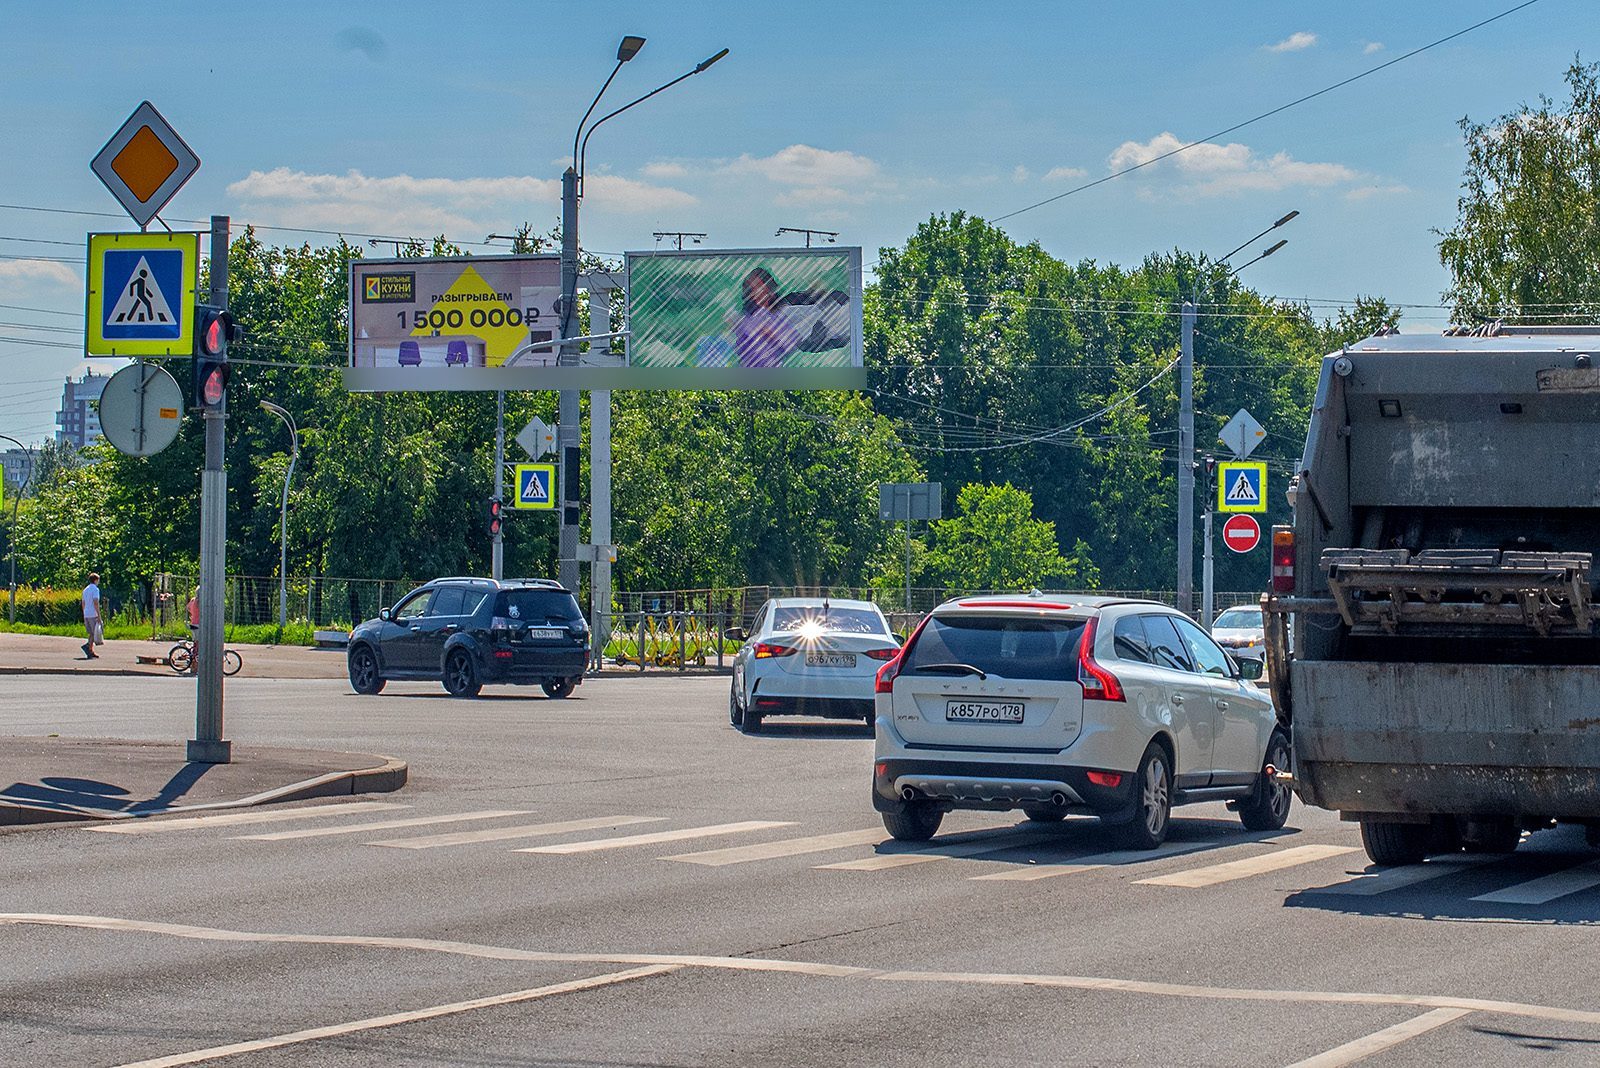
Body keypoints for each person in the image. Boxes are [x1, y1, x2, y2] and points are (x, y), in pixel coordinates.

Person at [732, 267, 801, 369]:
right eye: (752, 289)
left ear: (770, 289)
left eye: (759, 287)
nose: (756, 292)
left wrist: (771, 335)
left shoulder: (781, 314)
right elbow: (740, 347)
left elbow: (791, 344)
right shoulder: (747, 318)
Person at [81, 572, 104, 659]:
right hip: (93, 613)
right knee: (95, 633)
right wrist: (99, 615)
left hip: (86, 613)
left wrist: (84, 613)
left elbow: (83, 603)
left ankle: (90, 650)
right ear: (95, 580)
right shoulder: (95, 590)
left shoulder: (85, 590)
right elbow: (96, 602)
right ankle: (87, 647)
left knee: (91, 633)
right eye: (98, 580)